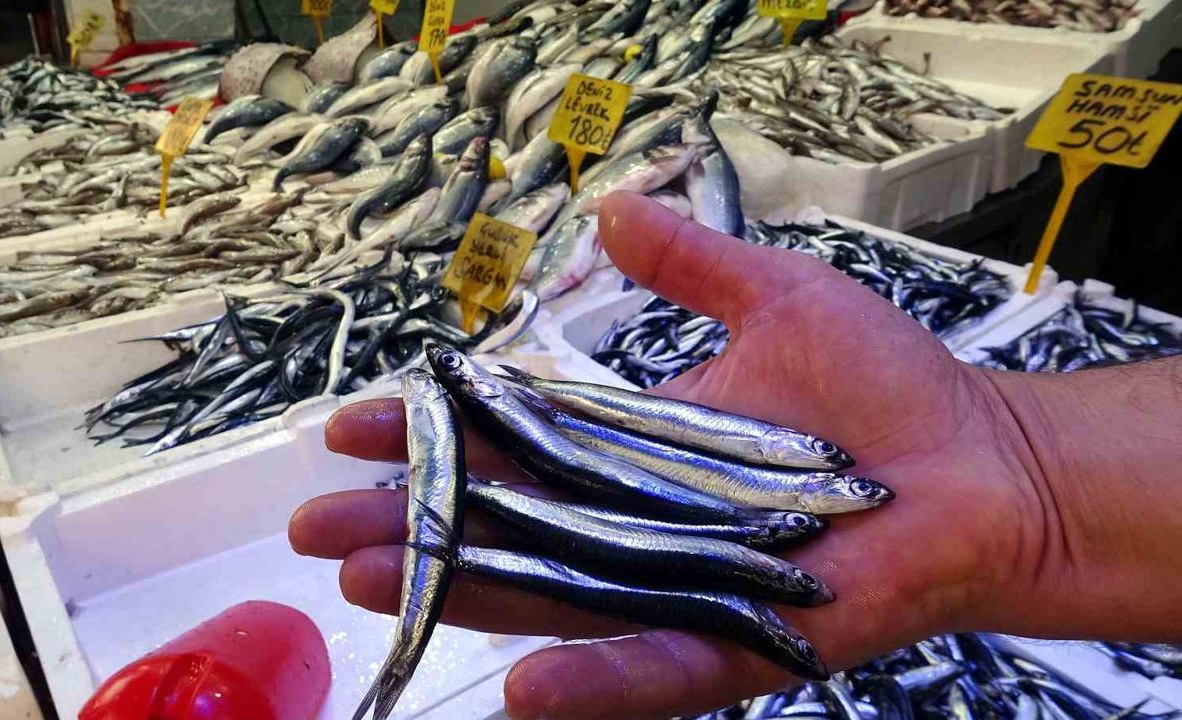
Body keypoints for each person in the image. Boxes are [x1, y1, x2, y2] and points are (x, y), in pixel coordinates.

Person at [288, 191, 1182, 719]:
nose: (837, 478)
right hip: (551, 447)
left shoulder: (775, 500)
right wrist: (1030, 465)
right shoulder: (766, 493)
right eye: (822, 465)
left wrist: (1029, 468)